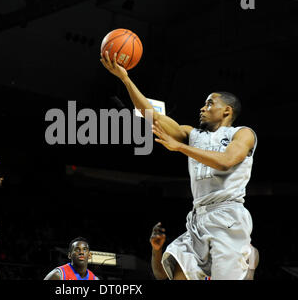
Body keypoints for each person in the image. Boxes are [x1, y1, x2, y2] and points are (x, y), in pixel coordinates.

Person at [100, 51, 259, 280]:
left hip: (228, 215)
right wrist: (125, 79)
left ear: (227, 110)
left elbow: (226, 162)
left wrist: (179, 148)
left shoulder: (242, 134)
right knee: (175, 274)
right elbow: (152, 117)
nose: (202, 108)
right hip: (198, 216)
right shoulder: (191, 134)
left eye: (209, 103)